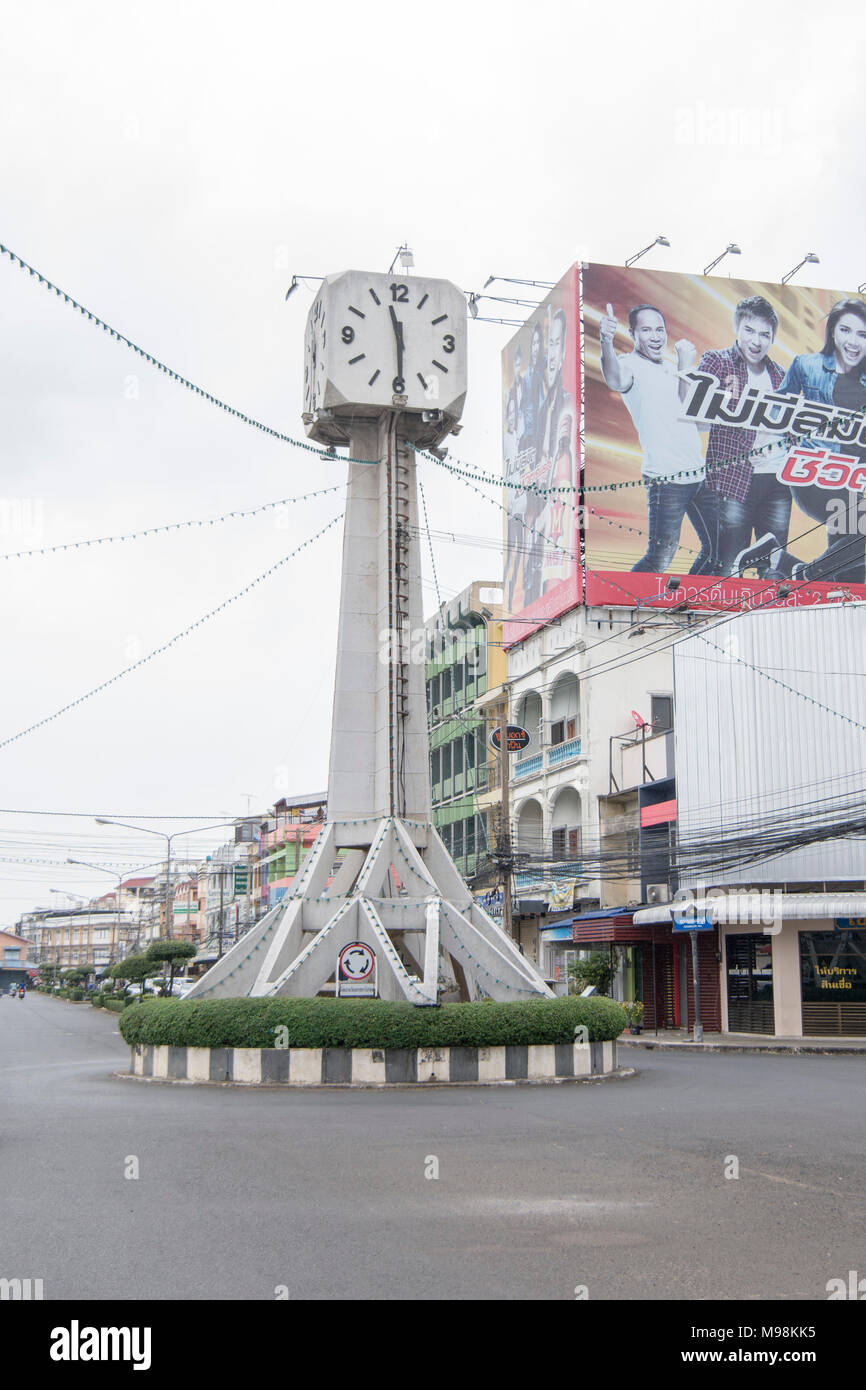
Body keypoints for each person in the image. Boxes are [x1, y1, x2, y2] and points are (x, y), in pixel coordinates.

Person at [737, 299, 866, 584]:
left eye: (863, 334)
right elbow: (775, 413)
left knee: (852, 581)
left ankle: (780, 558)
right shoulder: (807, 366)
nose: (853, 341)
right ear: (833, 332)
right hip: (817, 475)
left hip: (855, 485)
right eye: (846, 330)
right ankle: (805, 573)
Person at [599, 302, 715, 573]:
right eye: (647, 330)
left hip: (699, 475)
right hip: (666, 479)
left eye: (660, 330)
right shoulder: (629, 365)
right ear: (633, 334)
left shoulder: (674, 367)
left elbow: (696, 421)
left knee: (720, 548)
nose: (655, 336)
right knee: (660, 557)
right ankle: (628, 608)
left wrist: (687, 371)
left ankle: (692, 604)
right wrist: (605, 340)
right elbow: (615, 378)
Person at [696, 295, 789, 575]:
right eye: (750, 331)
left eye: (765, 334)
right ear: (737, 328)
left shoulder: (782, 375)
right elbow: (696, 416)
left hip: (778, 480)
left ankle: (775, 619)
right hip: (735, 479)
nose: (756, 341)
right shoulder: (717, 362)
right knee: (728, 566)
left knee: (774, 569)